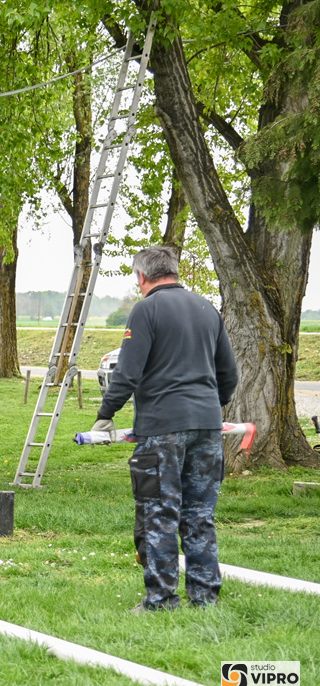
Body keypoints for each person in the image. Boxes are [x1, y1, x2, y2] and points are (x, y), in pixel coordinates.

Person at [93, 245, 238, 612]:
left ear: (141, 277)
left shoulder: (145, 310)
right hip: (207, 427)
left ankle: (161, 599)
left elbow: (127, 371)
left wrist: (106, 412)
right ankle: (205, 598)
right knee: (200, 515)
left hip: (162, 429)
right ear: (173, 271)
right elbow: (229, 375)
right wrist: (208, 406)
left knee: (160, 512)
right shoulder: (208, 309)